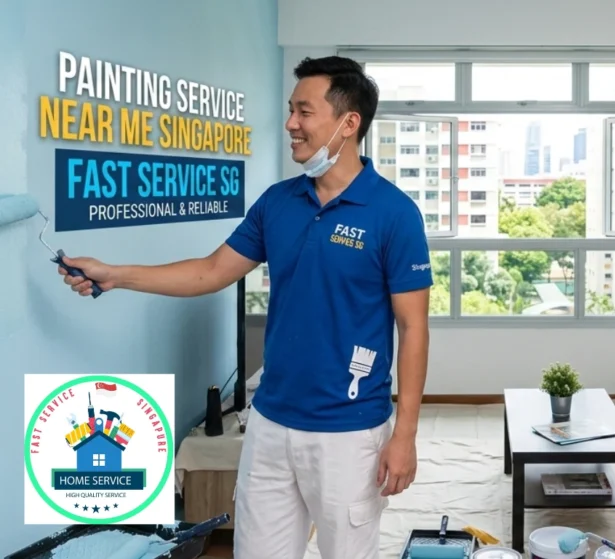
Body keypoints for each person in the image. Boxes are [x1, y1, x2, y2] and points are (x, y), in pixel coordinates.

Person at [58, 56, 433, 559]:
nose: (290, 123)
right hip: (271, 423)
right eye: (290, 110)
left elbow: (413, 328)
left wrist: (404, 434)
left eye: (304, 111)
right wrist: (116, 275)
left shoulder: (395, 214)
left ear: (349, 123)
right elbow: (212, 270)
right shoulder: (277, 202)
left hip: (350, 432)